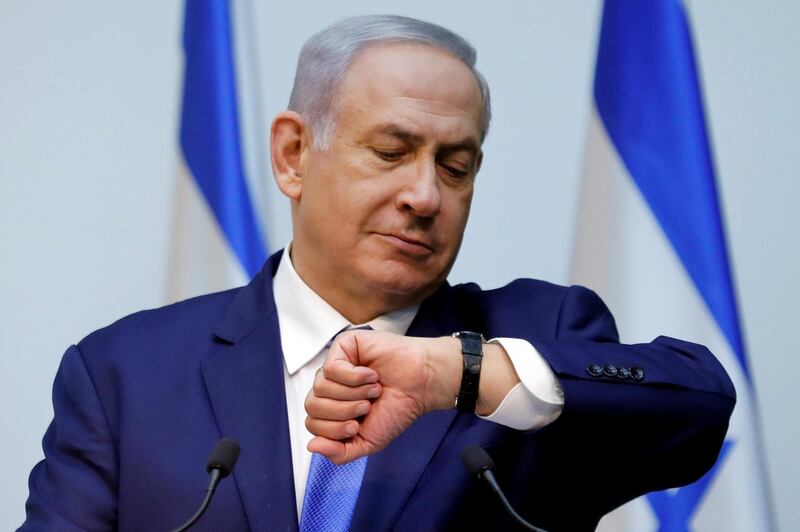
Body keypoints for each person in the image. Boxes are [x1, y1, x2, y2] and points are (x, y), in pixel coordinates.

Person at [20, 15, 735, 532]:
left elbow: (700, 405)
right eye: (392, 152)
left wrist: (452, 374)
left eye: (456, 167)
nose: (425, 197)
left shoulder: (534, 334)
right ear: (294, 155)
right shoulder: (124, 373)